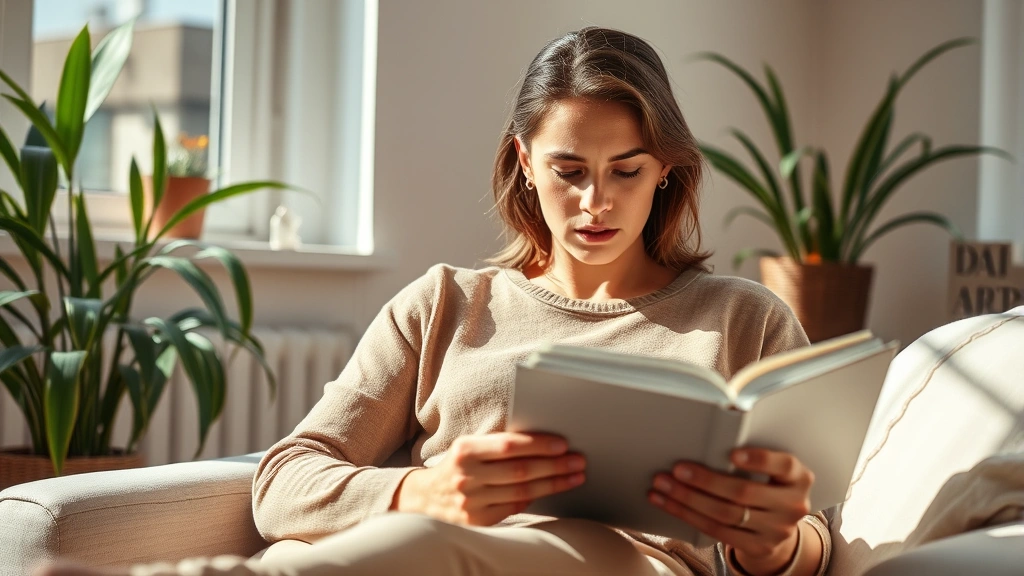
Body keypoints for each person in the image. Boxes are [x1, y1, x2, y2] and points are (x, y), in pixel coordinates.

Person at [40, 26, 830, 576]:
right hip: (423, 548)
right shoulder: (447, 303)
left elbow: (820, 532)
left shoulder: (743, 316)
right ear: (523, 162)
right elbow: (283, 480)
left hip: (624, 562)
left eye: (626, 171)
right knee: (331, 554)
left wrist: (774, 547)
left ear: (666, 171)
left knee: (428, 556)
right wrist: (423, 489)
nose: (596, 202)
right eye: (568, 169)